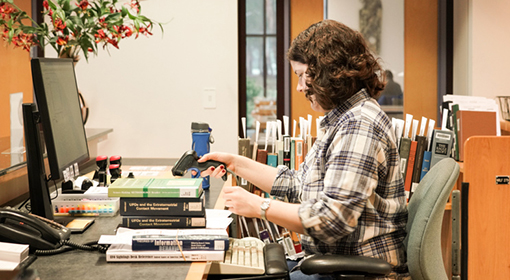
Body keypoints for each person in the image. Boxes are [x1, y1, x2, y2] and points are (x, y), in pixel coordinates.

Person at [199, 19, 409, 280]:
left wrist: (258, 206)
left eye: (301, 75)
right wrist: (236, 163)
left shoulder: (358, 125)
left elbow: (331, 221)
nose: (299, 87)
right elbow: (299, 185)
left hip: (353, 272)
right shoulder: (342, 120)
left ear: (327, 72)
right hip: (336, 265)